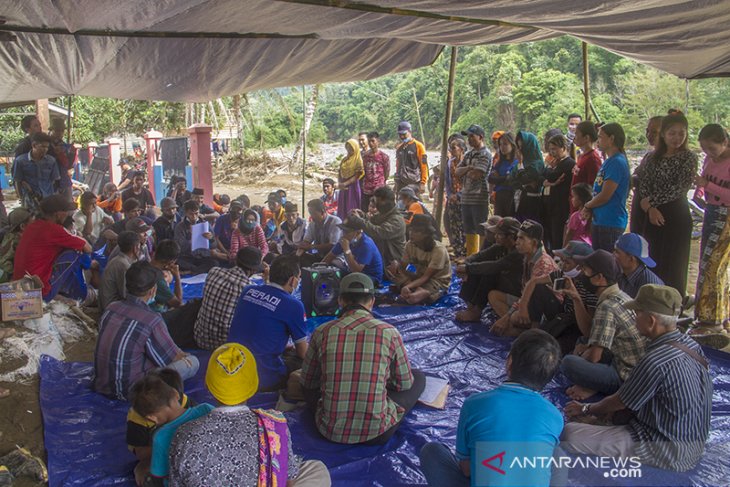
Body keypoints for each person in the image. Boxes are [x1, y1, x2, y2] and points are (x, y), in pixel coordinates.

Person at [563, 285, 712, 473]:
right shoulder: (692, 346)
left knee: (570, 434)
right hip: (693, 443)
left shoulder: (656, 361)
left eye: (637, 313)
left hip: (665, 450)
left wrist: (586, 409)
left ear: (650, 321)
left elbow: (620, 402)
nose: (634, 318)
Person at [169, 343, 331, 486]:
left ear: (208, 386)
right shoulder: (274, 427)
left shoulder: (184, 435)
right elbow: (286, 480)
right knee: (317, 469)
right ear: (253, 386)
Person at [419, 329, 563, 487]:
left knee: (431, 451)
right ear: (549, 376)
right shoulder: (555, 416)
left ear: (509, 362)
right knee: (558, 454)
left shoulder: (474, 404)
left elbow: (466, 469)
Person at [301, 273, 426, 444]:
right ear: (372, 302)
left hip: (329, 429)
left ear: (340, 301)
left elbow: (308, 382)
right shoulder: (389, 332)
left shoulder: (322, 331)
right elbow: (403, 384)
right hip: (378, 432)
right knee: (418, 377)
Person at [93, 261, 199, 400]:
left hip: (101, 384)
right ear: (152, 290)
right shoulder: (152, 320)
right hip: (132, 392)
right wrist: (183, 355)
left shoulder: (112, 307)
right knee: (193, 362)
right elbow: (174, 357)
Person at [560, 250, 645, 400]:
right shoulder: (619, 295)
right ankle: (590, 385)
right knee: (582, 342)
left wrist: (584, 353)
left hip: (625, 376)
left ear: (599, 278)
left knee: (568, 363)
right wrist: (576, 298)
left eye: (585, 270)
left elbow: (594, 358)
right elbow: (588, 333)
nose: (582, 274)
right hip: (625, 360)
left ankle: (592, 386)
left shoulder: (607, 306)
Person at [228, 255, 308, 391]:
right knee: (305, 361)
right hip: (264, 377)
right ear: (293, 280)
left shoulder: (248, 290)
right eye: (298, 278)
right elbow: (303, 353)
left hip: (232, 367)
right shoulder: (294, 305)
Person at [129, 371, 214, 486]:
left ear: (152, 418)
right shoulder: (206, 409)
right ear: (176, 394)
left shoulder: (161, 437)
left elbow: (159, 476)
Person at [489, 220, 561, 336]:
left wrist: (509, 315)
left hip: (546, 310)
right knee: (494, 296)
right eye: (517, 238)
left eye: (521, 238)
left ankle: (526, 330)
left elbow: (532, 295)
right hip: (528, 300)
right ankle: (516, 327)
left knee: (513, 317)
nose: (516, 242)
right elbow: (525, 293)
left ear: (533, 243)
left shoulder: (543, 263)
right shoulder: (528, 256)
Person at [13, 195, 92, 298]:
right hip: (38, 291)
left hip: (20, 284)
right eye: (66, 211)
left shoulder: (33, 226)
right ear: (58, 214)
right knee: (74, 253)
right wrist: (76, 236)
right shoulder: (54, 230)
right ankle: (75, 295)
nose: (68, 214)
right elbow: (88, 248)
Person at [693, 124, 730, 339]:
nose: (708, 154)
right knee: (706, 264)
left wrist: (708, 185)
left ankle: (712, 320)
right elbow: (704, 180)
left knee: (714, 267)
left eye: (712, 149)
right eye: (705, 150)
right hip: (711, 212)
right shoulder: (709, 160)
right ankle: (717, 315)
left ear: (724, 142)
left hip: (726, 217)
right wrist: (700, 189)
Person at [194, 247, 262, 350]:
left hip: (200, 338)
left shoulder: (213, 271)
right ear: (254, 270)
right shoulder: (250, 288)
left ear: (236, 260)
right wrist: (268, 282)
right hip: (226, 346)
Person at [455, 217, 522, 322]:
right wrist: (465, 264)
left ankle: (477, 310)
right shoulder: (500, 246)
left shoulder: (518, 253)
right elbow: (479, 256)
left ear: (511, 236)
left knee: (490, 272)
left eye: (499, 234)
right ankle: (471, 306)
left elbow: (497, 265)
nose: (496, 237)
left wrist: (468, 268)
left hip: (518, 290)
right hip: (507, 285)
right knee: (477, 268)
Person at [582, 123, 630, 251]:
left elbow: (605, 195)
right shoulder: (610, 161)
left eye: (601, 137)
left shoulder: (617, 162)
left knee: (606, 263)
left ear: (611, 139)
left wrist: (588, 205)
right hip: (601, 220)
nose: (598, 141)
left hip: (610, 222)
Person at [389, 214, 451, 304]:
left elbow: (426, 277)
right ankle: (415, 291)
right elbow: (405, 265)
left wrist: (408, 285)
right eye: (411, 230)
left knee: (432, 286)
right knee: (394, 268)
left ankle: (418, 292)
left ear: (426, 234)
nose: (411, 233)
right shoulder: (409, 245)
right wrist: (409, 272)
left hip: (434, 280)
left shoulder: (438, 250)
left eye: (416, 231)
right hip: (417, 275)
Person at [350, 186, 406, 272]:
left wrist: (359, 221)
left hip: (392, 262)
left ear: (384, 201)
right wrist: (362, 216)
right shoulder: (384, 214)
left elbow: (378, 232)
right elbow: (372, 221)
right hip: (381, 257)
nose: (376, 205)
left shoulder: (397, 220)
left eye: (377, 202)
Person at [456, 125, 492, 256]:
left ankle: (481, 256)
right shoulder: (468, 154)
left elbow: (477, 174)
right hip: (466, 197)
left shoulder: (485, 154)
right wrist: (469, 167)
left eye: (472, 136)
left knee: (481, 228)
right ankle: (470, 257)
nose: (469, 139)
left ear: (480, 137)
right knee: (469, 229)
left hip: (479, 198)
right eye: (468, 136)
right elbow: (457, 171)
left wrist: (467, 169)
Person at [323, 216, 384, 285]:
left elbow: (356, 271)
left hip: (371, 277)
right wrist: (319, 269)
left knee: (349, 283)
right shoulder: (345, 239)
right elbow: (329, 257)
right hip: (353, 274)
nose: (344, 234)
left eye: (347, 231)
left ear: (357, 232)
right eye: (343, 230)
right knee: (331, 274)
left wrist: (347, 249)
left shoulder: (366, 244)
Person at [629, 115, 664, 234]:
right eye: (647, 131)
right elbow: (637, 175)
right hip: (640, 210)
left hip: (656, 213)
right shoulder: (649, 156)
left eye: (654, 132)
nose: (649, 135)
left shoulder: (670, 160)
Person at [542, 134, 576, 251]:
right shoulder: (555, 163)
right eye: (550, 149)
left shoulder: (568, 163)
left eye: (555, 149)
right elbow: (545, 175)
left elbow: (551, 176)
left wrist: (550, 180)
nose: (552, 152)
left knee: (557, 238)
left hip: (560, 206)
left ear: (563, 148)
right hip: (550, 205)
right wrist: (551, 182)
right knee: (550, 236)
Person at [174, 200, 227, 274]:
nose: (194, 216)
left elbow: (214, 245)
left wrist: (211, 238)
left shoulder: (204, 224)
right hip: (188, 257)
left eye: (196, 213)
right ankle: (196, 270)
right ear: (186, 213)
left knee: (215, 263)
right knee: (179, 262)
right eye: (191, 214)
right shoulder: (180, 226)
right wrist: (191, 236)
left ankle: (191, 271)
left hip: (203, 256)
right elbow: (180, 247)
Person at [13, 132, 60, 212]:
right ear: (34, 145)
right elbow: (18, 181)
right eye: (42, 146)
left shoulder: (51, 161)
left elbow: (55, 180)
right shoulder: (20, 161)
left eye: (47, 147)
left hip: (48, 199)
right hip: (30, 201)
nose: (45, 149)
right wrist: (21, 198)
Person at [98, 231, 140, 310]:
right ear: (135, 248)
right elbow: (126, 295)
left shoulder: (118, 260)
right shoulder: (123, 265)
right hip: (110, 309)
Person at [614, 233, 664, 298]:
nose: (613, 255)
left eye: (617, 252)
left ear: (631, 259)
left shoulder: (650, 287)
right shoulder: (620, 273)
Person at [297, 199, 342, 267]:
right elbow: (307, 241)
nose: (311, 216)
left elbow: (333, 245)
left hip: (334, 257)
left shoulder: (335, 222)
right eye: (310, 213)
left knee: (333, 264)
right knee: (300, 258)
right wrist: (298, 254)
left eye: (313, 213)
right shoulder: (312, 224)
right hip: (317, 254)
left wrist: (311, 247)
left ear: (322, 212)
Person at [512, 131, 545, 222]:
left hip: (533, 202)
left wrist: (520, 164)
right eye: (518, 147)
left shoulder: (537, 163)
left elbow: (524, 179)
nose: (520, 150)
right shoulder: (522, 162)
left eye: (522, 147)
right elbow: (512, 180)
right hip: (521, 200)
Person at [444, 136, 466, 257]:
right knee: (453, 224)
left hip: (464, 198)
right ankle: (457, 250)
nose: (451, 150)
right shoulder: (449, 163)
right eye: (451, 148)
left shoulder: (466, 163)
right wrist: (450, 194)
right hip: (452, 198)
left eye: (454, 148)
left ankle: (465, 249)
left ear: (461, 149)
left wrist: (459, 195)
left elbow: (467, 182)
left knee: (463, 224)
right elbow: (448, 182)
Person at [488, 132, 519, 217]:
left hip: (511, 196)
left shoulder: (516, 162)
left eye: (505, 144)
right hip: (499, 196)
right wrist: (502, 178)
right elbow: (490, 178)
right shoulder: (500, 163)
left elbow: (509, 180)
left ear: (512, 145)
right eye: (500, 144)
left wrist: (499, 179)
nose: (502, 147)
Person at [394, 121, 428, 194]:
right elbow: (398, 165)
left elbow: (424, 166)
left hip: (414, 182)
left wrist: (423, 182)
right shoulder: (399, 148)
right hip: (401, 183)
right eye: (400, 134)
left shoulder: (419, 146)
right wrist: (396, 182)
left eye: (404, 134)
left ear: (410, 132)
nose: (402, 136)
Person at [0, 208, 33, 283]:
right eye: (32, 223)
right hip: (6, 273)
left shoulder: (9, 234)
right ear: (23, 227)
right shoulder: (19, 241)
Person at [361, 131, 390, 210]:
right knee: (366, 209)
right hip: (367, 189)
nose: (371, 143)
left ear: (378, 141)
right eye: (369, 141)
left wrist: (381, 182)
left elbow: (386, 172)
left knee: (379, 209)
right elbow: (363, 171)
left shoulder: (384, 157)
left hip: (379, 188)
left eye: (373, 141)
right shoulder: (365, 156)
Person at [336, 139, 364, 220]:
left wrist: (345, 184)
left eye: (351, 148)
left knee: (351, 207)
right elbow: (340, 171)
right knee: (342, 207)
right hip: (343, 187)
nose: (349, 150)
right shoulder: (345, 159)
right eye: (348, 148)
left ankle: (353, 227)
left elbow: (357, 176)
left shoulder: (358, 160)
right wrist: (340, 183)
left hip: (352, 187)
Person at [571, 121, 602, 190]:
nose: (574, 137)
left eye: (576, 134)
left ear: (586, 138)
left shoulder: (593, 159)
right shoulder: (581, 156)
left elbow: (593, 185)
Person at [49, 118, 76, 198]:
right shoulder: (47, 145)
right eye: (57, 130)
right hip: (51, 182)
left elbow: (69, 165)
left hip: (64, 180)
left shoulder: (65, 146)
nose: (60, 133)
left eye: (62, 131)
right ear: (52, 130)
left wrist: (72, 153)